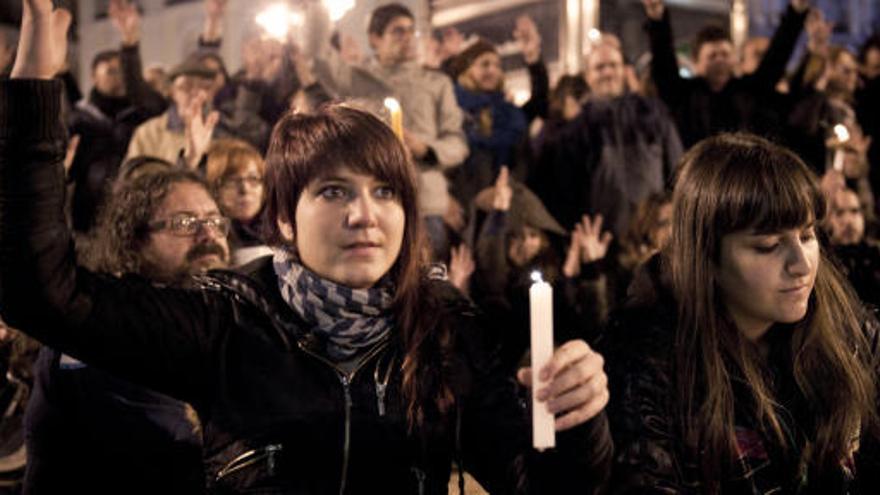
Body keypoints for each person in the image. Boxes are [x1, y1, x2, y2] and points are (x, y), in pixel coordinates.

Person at [0, 2, 612, 492]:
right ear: (285, 221)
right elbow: (45, 296)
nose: (364, 214)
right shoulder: (228, 319)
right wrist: (33, 98)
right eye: (334, 192)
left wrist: (577, 421)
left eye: (385, 192)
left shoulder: (444, 330)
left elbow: (543, 484)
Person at [604, 133, 880, 493]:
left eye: (808, 235)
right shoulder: (647, 363)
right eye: (767, 246)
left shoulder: (852, 334)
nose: (801, 265)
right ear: (707, 257)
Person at [25, 170, 227, 494]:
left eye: (216, 221)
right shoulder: (97, 329)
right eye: (185, 223)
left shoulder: (229, 319)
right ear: (135, 241)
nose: (209, 235)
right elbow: (175, 439)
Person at [304, 2, 469, 254]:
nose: (407, 38)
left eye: (411, 31)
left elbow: (457, 142)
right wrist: (317, 9)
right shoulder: (356, 79)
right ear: (375, 38)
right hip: (372, 201)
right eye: (397, 31)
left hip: (424, 204)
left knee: (428, 284)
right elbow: (317, 54)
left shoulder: (436, 83)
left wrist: (424, 148)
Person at [530, 37, 681, 236]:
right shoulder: (575, 131)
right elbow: (564, 194)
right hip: (604, 244)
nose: (608, 72)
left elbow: (678, 171)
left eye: (613, 65)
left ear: (624, 70)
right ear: (587, 76)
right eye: (600, 67)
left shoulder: (653, 113)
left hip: (655, 239)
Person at [642, 0, 809, 147]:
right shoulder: (684, 95)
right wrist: (657, 19)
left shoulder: (748, 91)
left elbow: (776, 59)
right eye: (712, 56)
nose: (720, 60)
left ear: (735, 58)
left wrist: (796, 11)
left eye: (725, 54)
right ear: (696, 62)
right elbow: (664, 65)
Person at [204, 138, 272, 266]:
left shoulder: (281, 225)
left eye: (253, 179)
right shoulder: (210, 236)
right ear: (214, 189)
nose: (245, 190)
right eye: (232, 181)